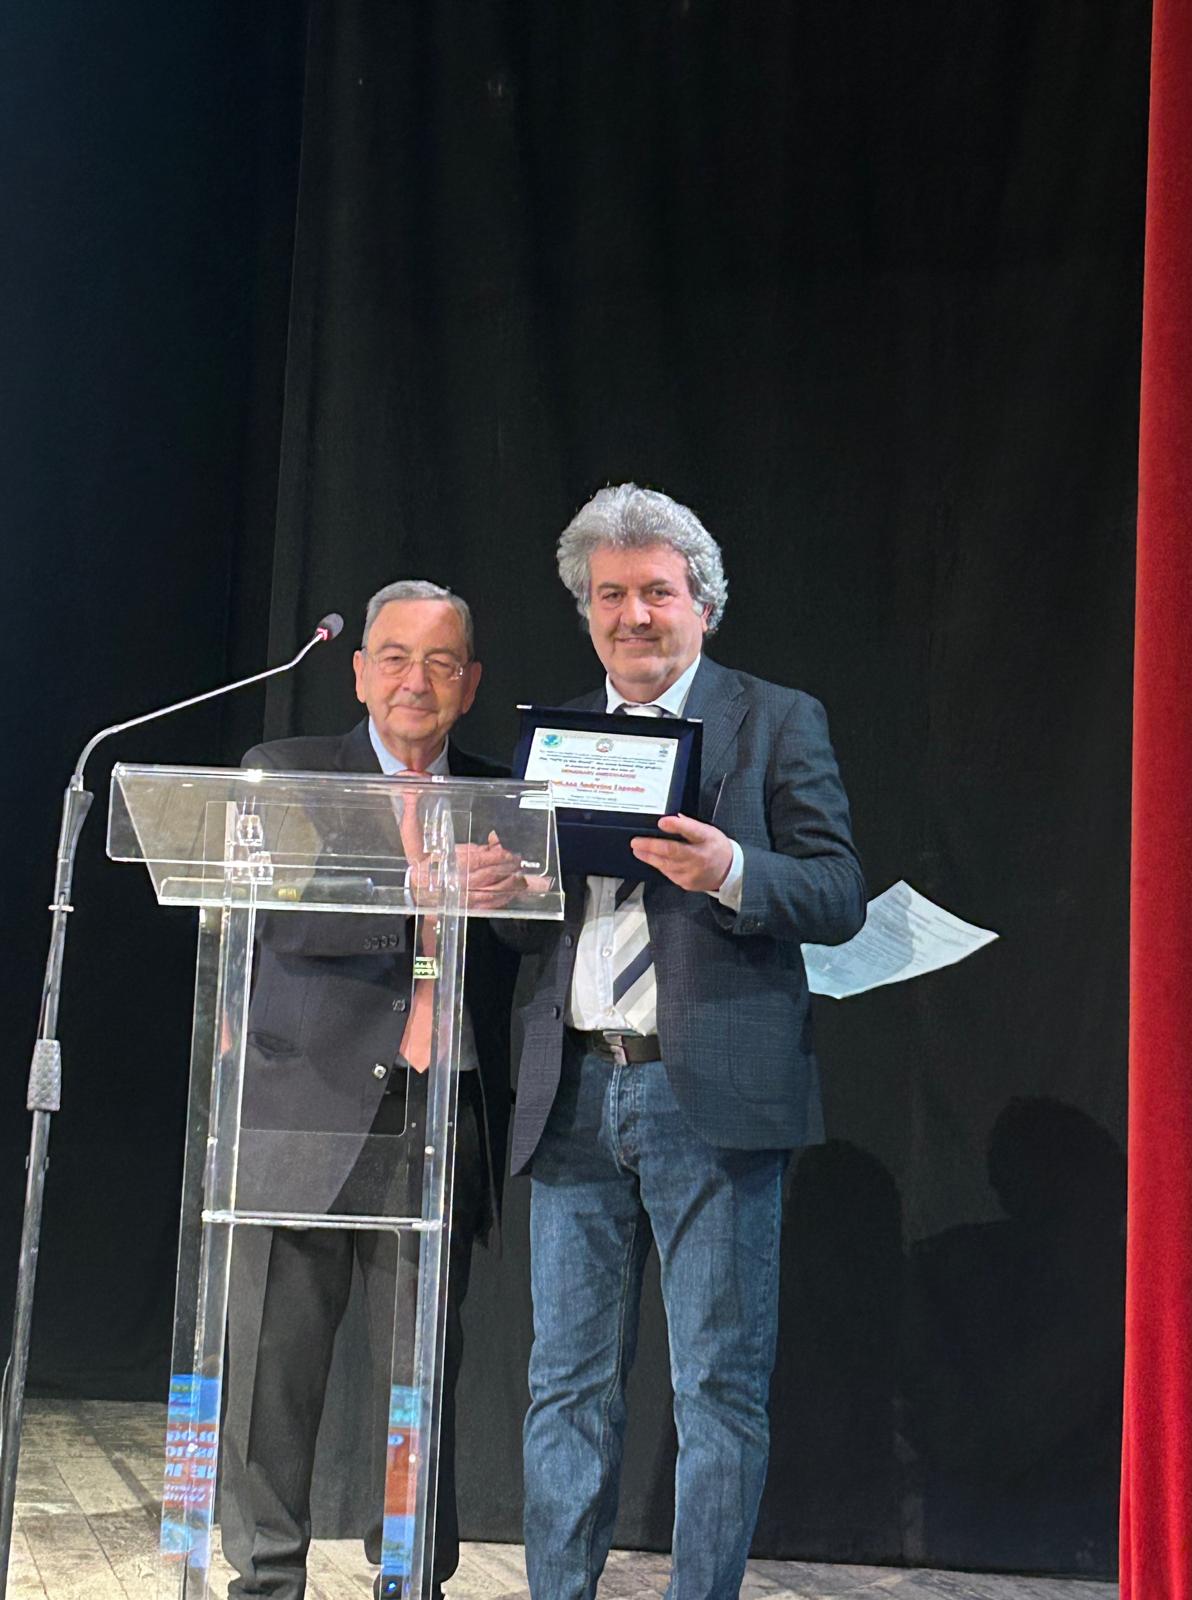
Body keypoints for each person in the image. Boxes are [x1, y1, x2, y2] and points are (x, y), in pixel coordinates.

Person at [504, 485, 866, 1600]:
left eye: (657, 592)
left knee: (716, 1389)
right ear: (586, 610)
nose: (634, 615)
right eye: (610, 595)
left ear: (702, 604)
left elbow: (838, 891)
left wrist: (733, 871)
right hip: (572, 1091)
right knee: (565, 1385)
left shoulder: (777, 720)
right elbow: (530, 926)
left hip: (705, 1094)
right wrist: (500, 887)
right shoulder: (558, 737)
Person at [220, 580, 522, 1600]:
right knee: (274, 1379)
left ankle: (408, 1576)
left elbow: (539, 939)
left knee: (418, 1383)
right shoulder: (287, 774)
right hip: (302, 1108)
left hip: (440, 1116)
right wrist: (412, 890)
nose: (415, 681)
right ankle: (267, 1580)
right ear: (357, 673)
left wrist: (514, 893)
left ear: (470, 684)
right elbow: (281, 913)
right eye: (394, 657)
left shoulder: (508, 801)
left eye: (441, 663)